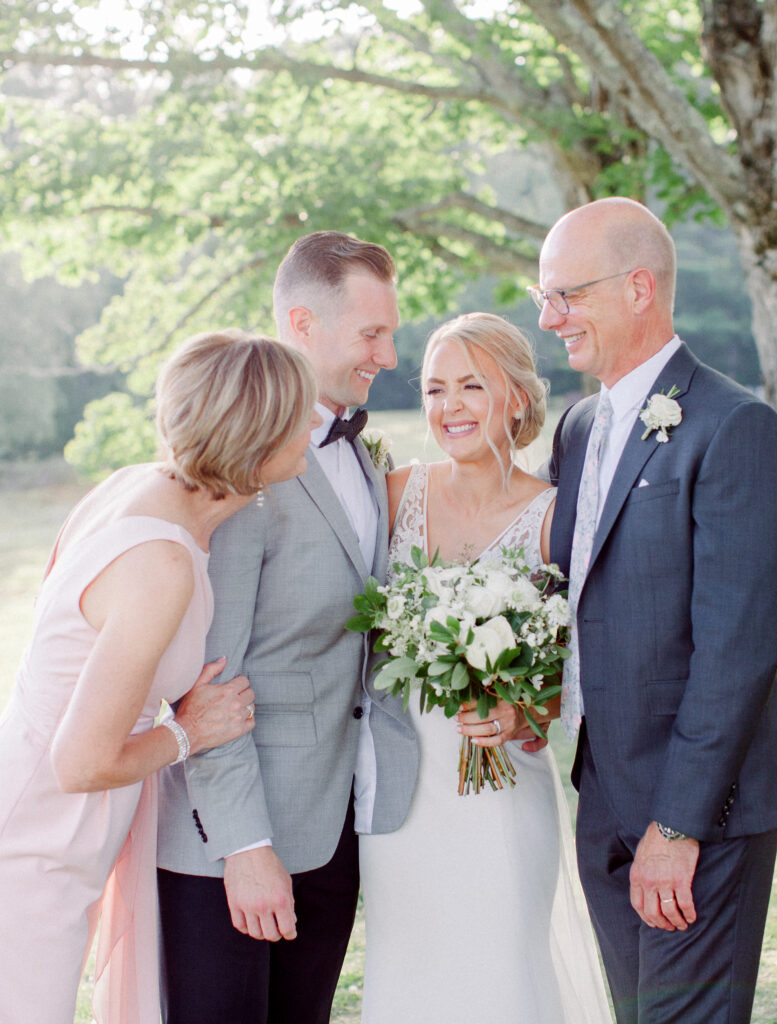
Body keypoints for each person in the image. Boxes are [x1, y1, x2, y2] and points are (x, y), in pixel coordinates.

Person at [534, 197, 777, 1023]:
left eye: (566, 295)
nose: (548, 318)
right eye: (542, 296)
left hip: (699, 808)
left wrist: (678, 827)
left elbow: (737, 651)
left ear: (639, 288)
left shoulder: (734, 427)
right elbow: (574, 597)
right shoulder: (579, 427)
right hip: (602, 794)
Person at [0, 329, 319, 1024]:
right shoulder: (159, 562)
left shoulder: (143, 488)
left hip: (64, 836)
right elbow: (79, 762)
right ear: (258, 438)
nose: (317, 420)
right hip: (34, 850)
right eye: (302, 411)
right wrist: (189, 732)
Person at [157, 232, 419, 1024]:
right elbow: (211, 674)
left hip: (329, 825)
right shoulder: (239, 459)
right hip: (233, 844)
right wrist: (243, 846)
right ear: (301, 325)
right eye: (371, 334)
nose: (390, 354)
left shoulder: (361, 455)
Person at [358, 312, 612, 1024]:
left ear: (519, 400)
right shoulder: (394, 493)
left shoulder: (557, 517)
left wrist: (527, 710)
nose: (450, 406)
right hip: (400, 807)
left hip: (502, 795)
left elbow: (590, 658)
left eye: (472, 385)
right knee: (410, 974)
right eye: (436, 388)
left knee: (501, 976)